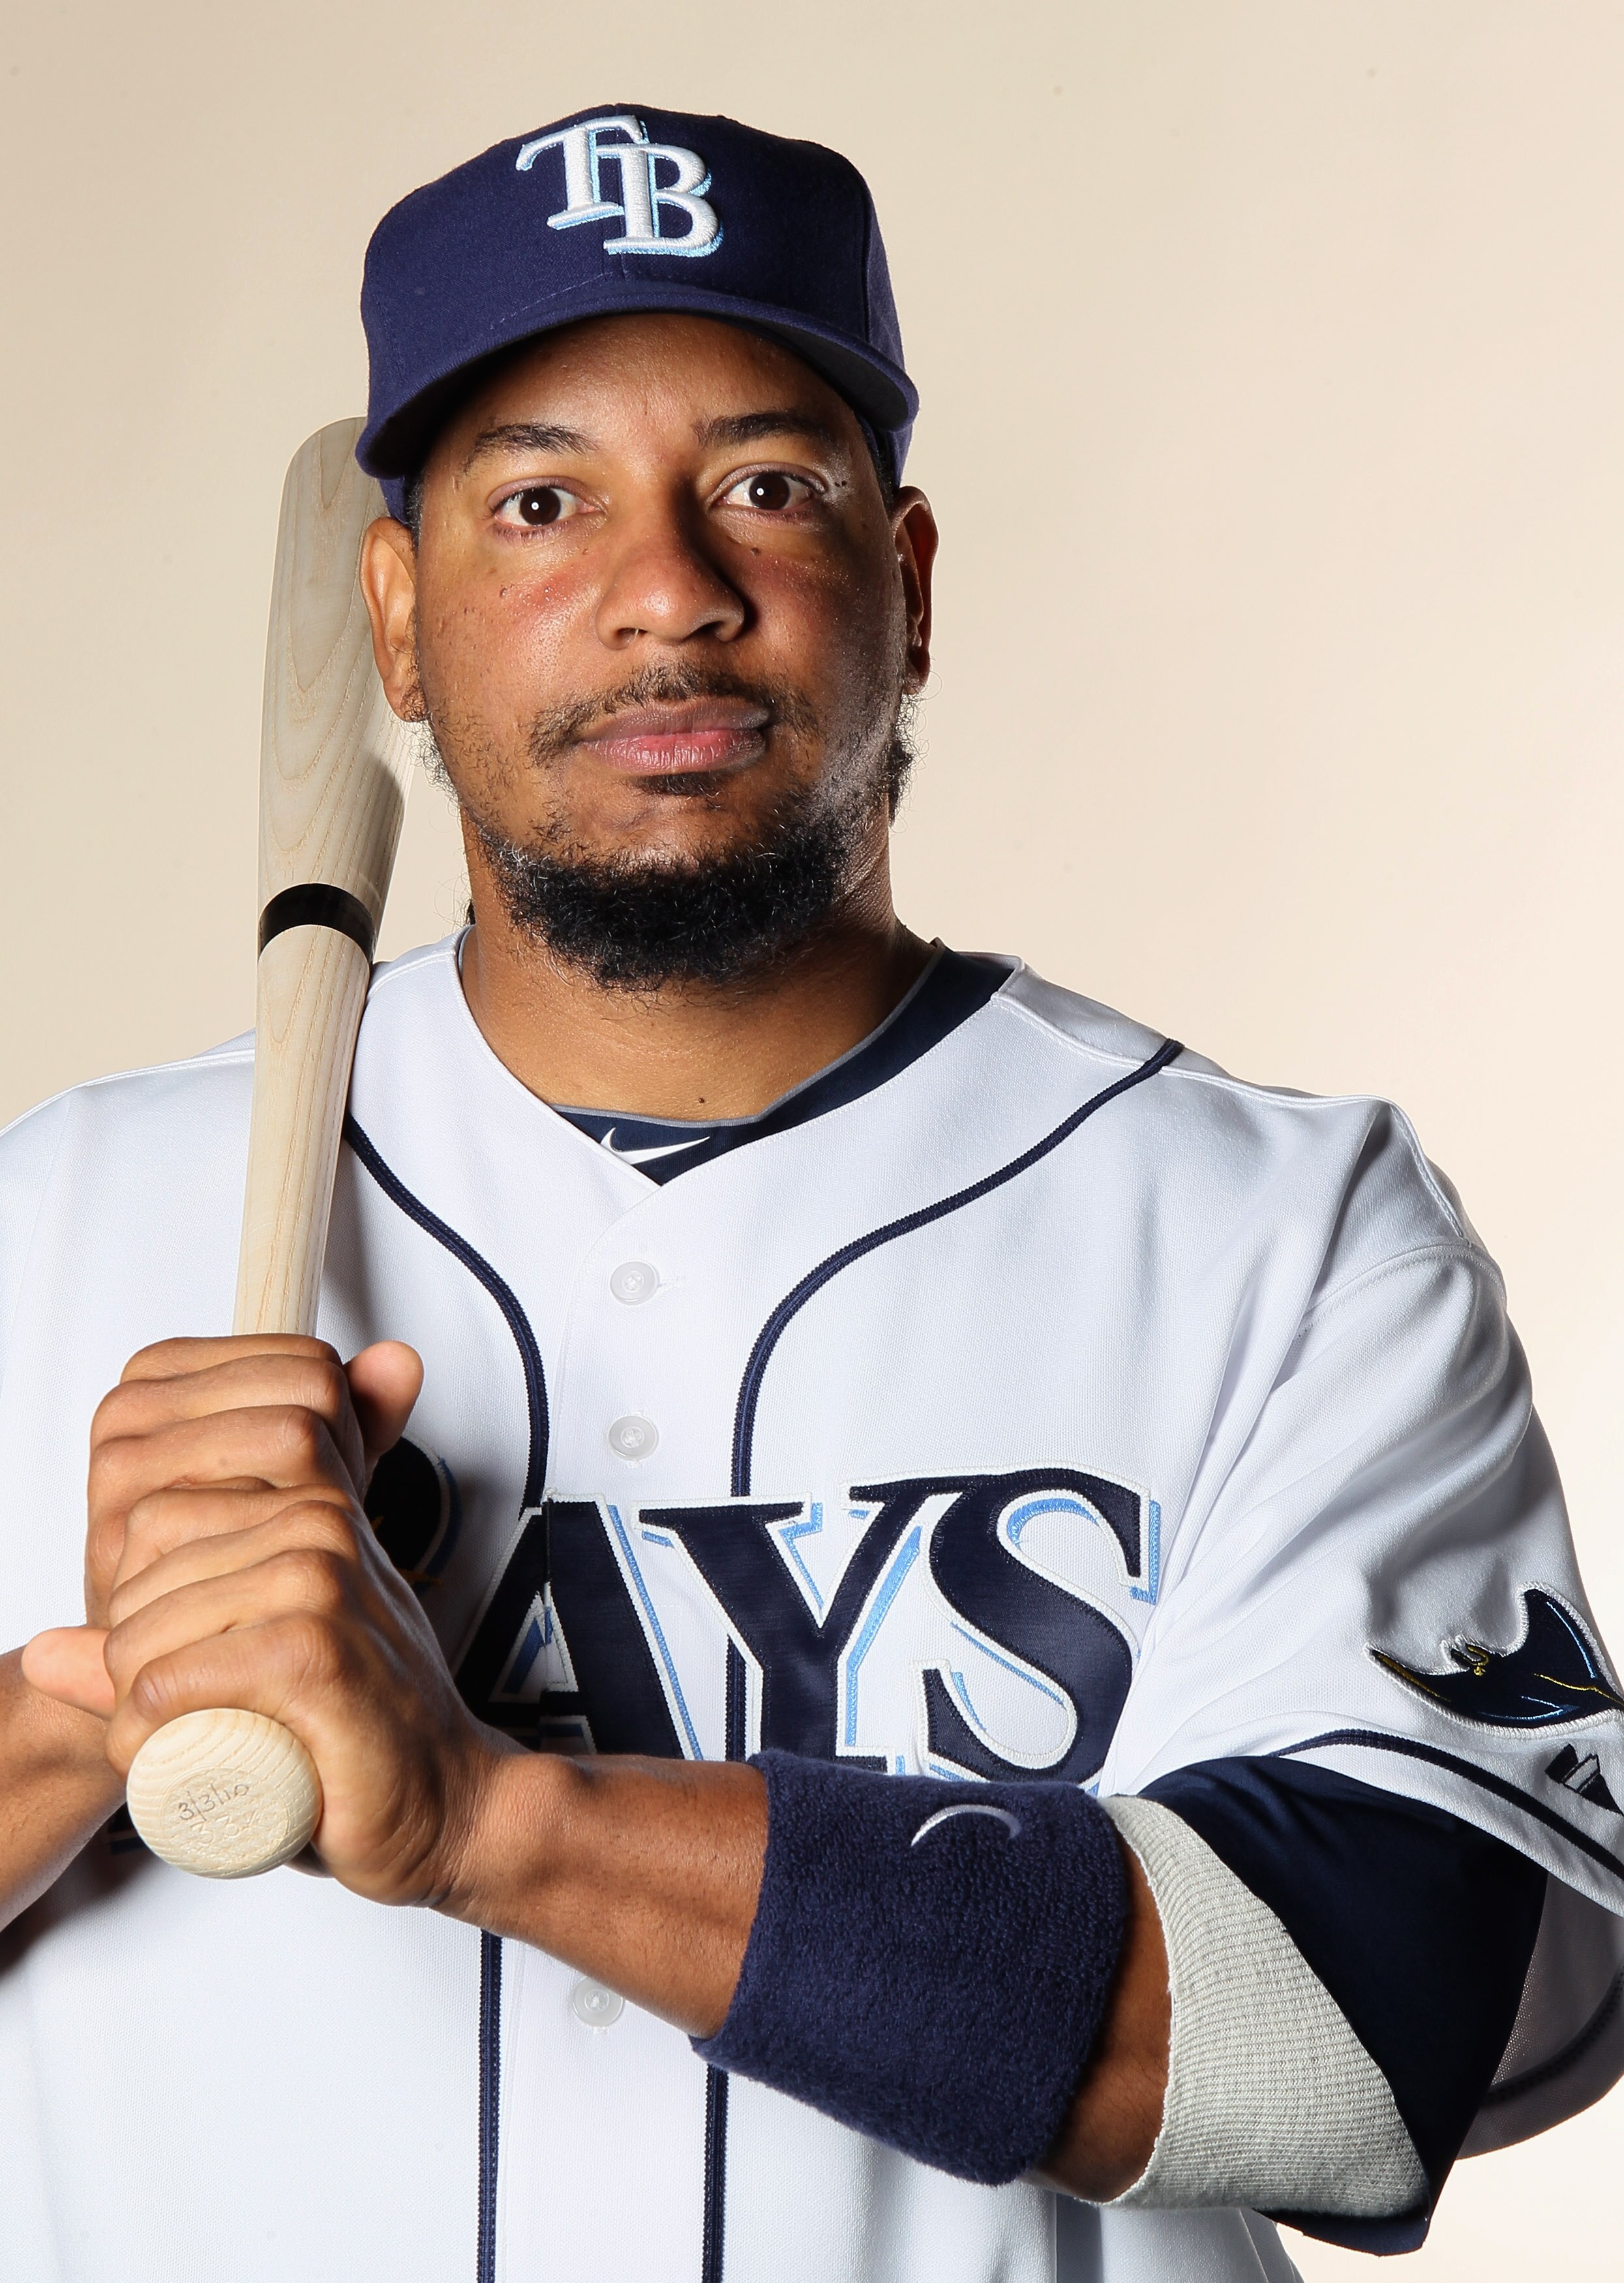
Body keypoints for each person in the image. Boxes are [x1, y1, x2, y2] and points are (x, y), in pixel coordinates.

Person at [3, 104, 1622, 2283]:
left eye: (763, 485)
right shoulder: (62, 1217)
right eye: (539, 503)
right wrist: (106, 1694)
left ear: (911, 580)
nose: (666, 592)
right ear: (394, 621)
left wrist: (493, 1810)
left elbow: (1349, 2031)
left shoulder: (1277, 1232)